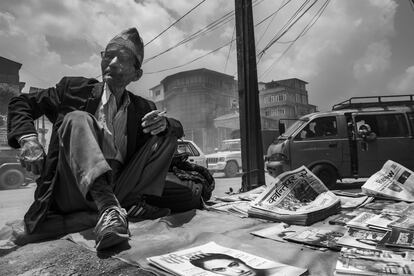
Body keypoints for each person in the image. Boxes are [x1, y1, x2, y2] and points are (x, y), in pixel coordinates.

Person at [7, 27, 197, 251]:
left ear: (137, 74)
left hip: (121, 185)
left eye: (124, 58)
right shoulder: (73, 89)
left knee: (186, 187)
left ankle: (110, 209)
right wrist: (28, 139)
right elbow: (21, 103)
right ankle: (109, 209)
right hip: (73, 187)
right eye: (108, 55)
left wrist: (166, 125)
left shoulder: (143, 108)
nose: (113, 62)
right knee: (77, 118)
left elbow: (177, 130)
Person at [189, 253, 290, 276]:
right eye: (220, 270)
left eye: (233, 264)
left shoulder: (284, 271)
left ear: (241, 260)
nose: (238, 271)